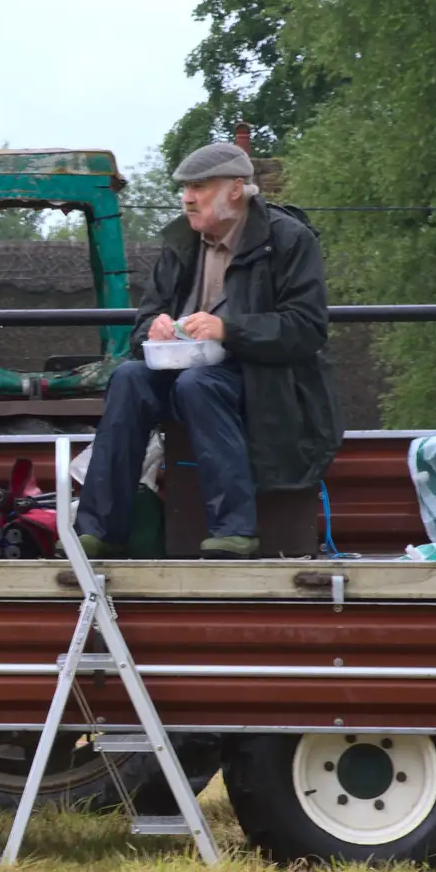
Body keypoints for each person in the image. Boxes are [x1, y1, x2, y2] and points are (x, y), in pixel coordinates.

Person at [76, 142, 341, 559]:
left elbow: (306, 328)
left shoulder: (288, 239)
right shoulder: (182, 241)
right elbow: (143, 322)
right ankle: (100, 530)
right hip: (185, 373)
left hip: (263, 379)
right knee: (128, 377)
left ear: (236, 189)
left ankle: (234, 531)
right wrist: (155, 328)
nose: (186, 197)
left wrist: (228, 329)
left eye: (198, 186)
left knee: (199, 384)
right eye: (184, 188)